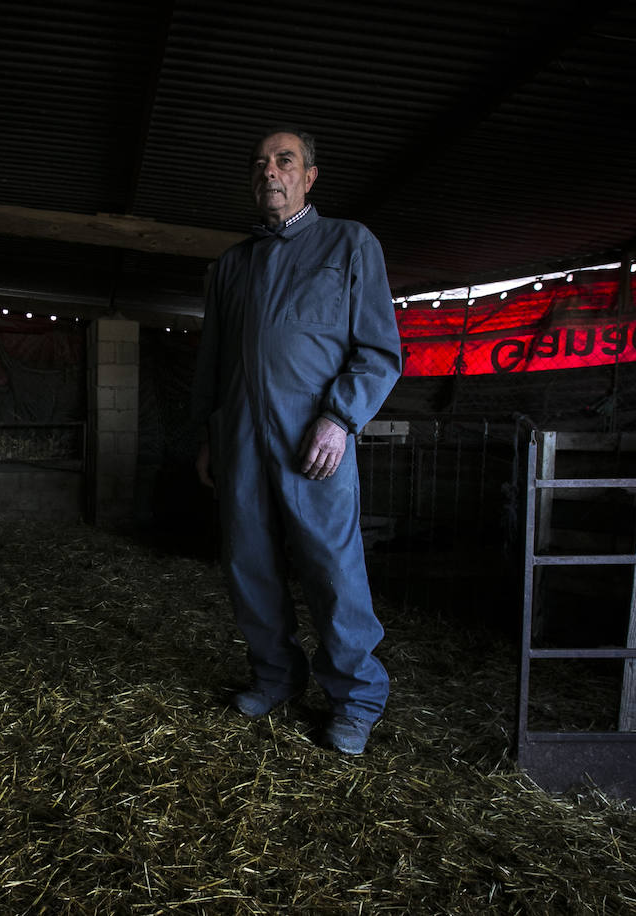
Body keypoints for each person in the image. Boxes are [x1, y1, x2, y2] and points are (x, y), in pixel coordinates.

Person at [190, 128, 401, 755]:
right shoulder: (232, 265)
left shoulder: (348, 244)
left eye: (285, 161)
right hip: (242, 436)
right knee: (248, 561)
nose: (270, 172)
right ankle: (276, 676)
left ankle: (356, 699)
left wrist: (340, 418)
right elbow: (214, 362)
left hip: (316, 437)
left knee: (333, 568)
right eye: (259, 164)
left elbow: (379, 350)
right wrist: (211, 433)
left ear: (310, 177)